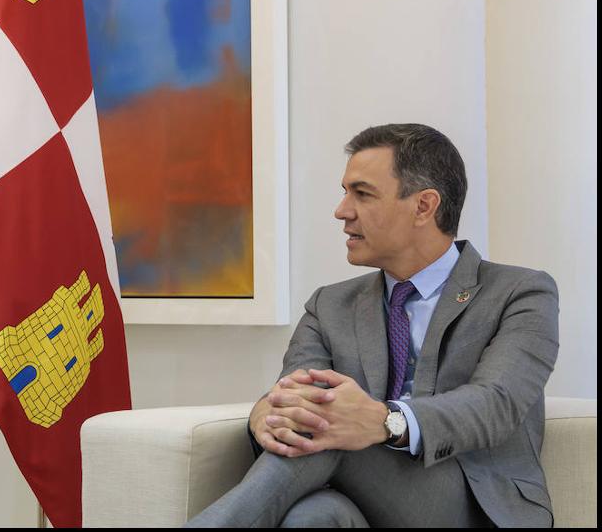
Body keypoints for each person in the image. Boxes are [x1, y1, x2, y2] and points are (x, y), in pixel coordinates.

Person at [188, 123, 558, 527]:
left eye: (362, 194)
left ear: (424, 206)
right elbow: (295, 396)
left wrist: (384, 421)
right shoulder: (330, 304)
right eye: (345, 192)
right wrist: (264, 413)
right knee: (314, 516)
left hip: (474, 504)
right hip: (359, 497)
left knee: (335, 428)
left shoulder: (521, 292)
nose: (342, 210)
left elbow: (497, 404)